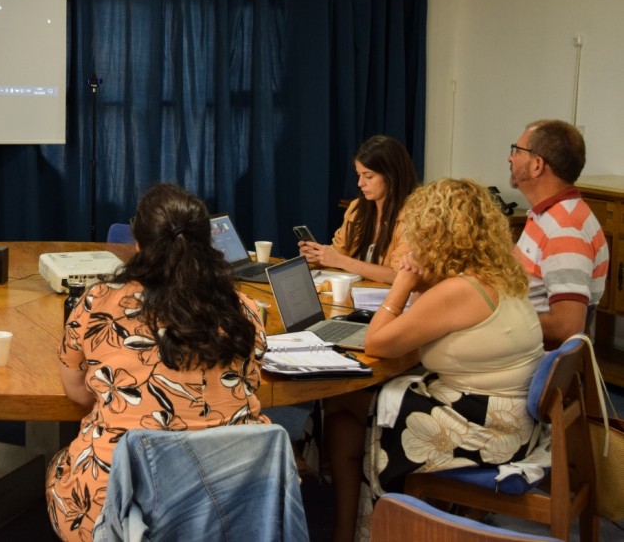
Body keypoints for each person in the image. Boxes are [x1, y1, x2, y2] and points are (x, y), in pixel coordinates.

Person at [45, 183, 270, 541]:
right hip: (226, 507)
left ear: (137, 243)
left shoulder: (98, 303)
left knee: (60, 464)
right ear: (206, 242)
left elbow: (78, 394)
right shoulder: (243, 310)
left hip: (116, 512)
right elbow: (249, 384)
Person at [324, 179, 545, 542]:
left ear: (435, 232)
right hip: (509, 414)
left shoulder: (460, 290)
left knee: (339, 403)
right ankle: (353, 524)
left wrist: (403, 283)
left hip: (489, 431)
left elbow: (376, 342)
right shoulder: (494, 274)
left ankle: (358, 521)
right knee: (344, 423)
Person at [509, 119, 608, 347]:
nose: (510, 157)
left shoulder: (565, 230)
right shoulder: (549, 216)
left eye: (516, 150)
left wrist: (500, 320)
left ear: (537, 165)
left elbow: (567, 328)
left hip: (526, 357)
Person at [298, 134, 418, 284]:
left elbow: (399, 275)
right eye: (358, 175)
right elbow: (339, 252)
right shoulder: (357, 209)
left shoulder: (415, 216)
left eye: (368, 176)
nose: (360, 183)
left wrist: (340, 261)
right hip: (357, 295)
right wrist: (319, 256)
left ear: (391, 175)